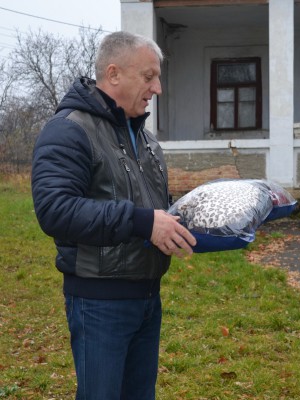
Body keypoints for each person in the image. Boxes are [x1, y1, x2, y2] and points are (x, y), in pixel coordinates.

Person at [31, 31, 196, 400]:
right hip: (99, 303)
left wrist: (190, 222)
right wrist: (143, 223)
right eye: (149, 76)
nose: (158, 88)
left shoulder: (146, 139)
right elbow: (54, 210)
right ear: (114, 73)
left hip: (147, 297)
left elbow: (151, 207)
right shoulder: (69, 130)